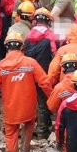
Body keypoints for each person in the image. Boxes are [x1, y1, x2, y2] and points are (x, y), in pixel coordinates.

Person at [0, 31, 54, 152]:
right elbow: (45, 82)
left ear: (7, 47)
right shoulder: (31, 63)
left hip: (11, 108)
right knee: (29, 124)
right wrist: (52, 99)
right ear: (21, 47)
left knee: (10, 134)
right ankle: (25, 149)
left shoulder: (2, 66)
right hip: (28, 106)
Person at [25, 9, 60, 137]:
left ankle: (29, 128)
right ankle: (42, 130)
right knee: (44, 101)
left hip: (29, 72)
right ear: (48, 21)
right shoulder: (50, 35)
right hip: (44, 72)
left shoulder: (29, 35)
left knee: (31, 100)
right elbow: (55, 55)